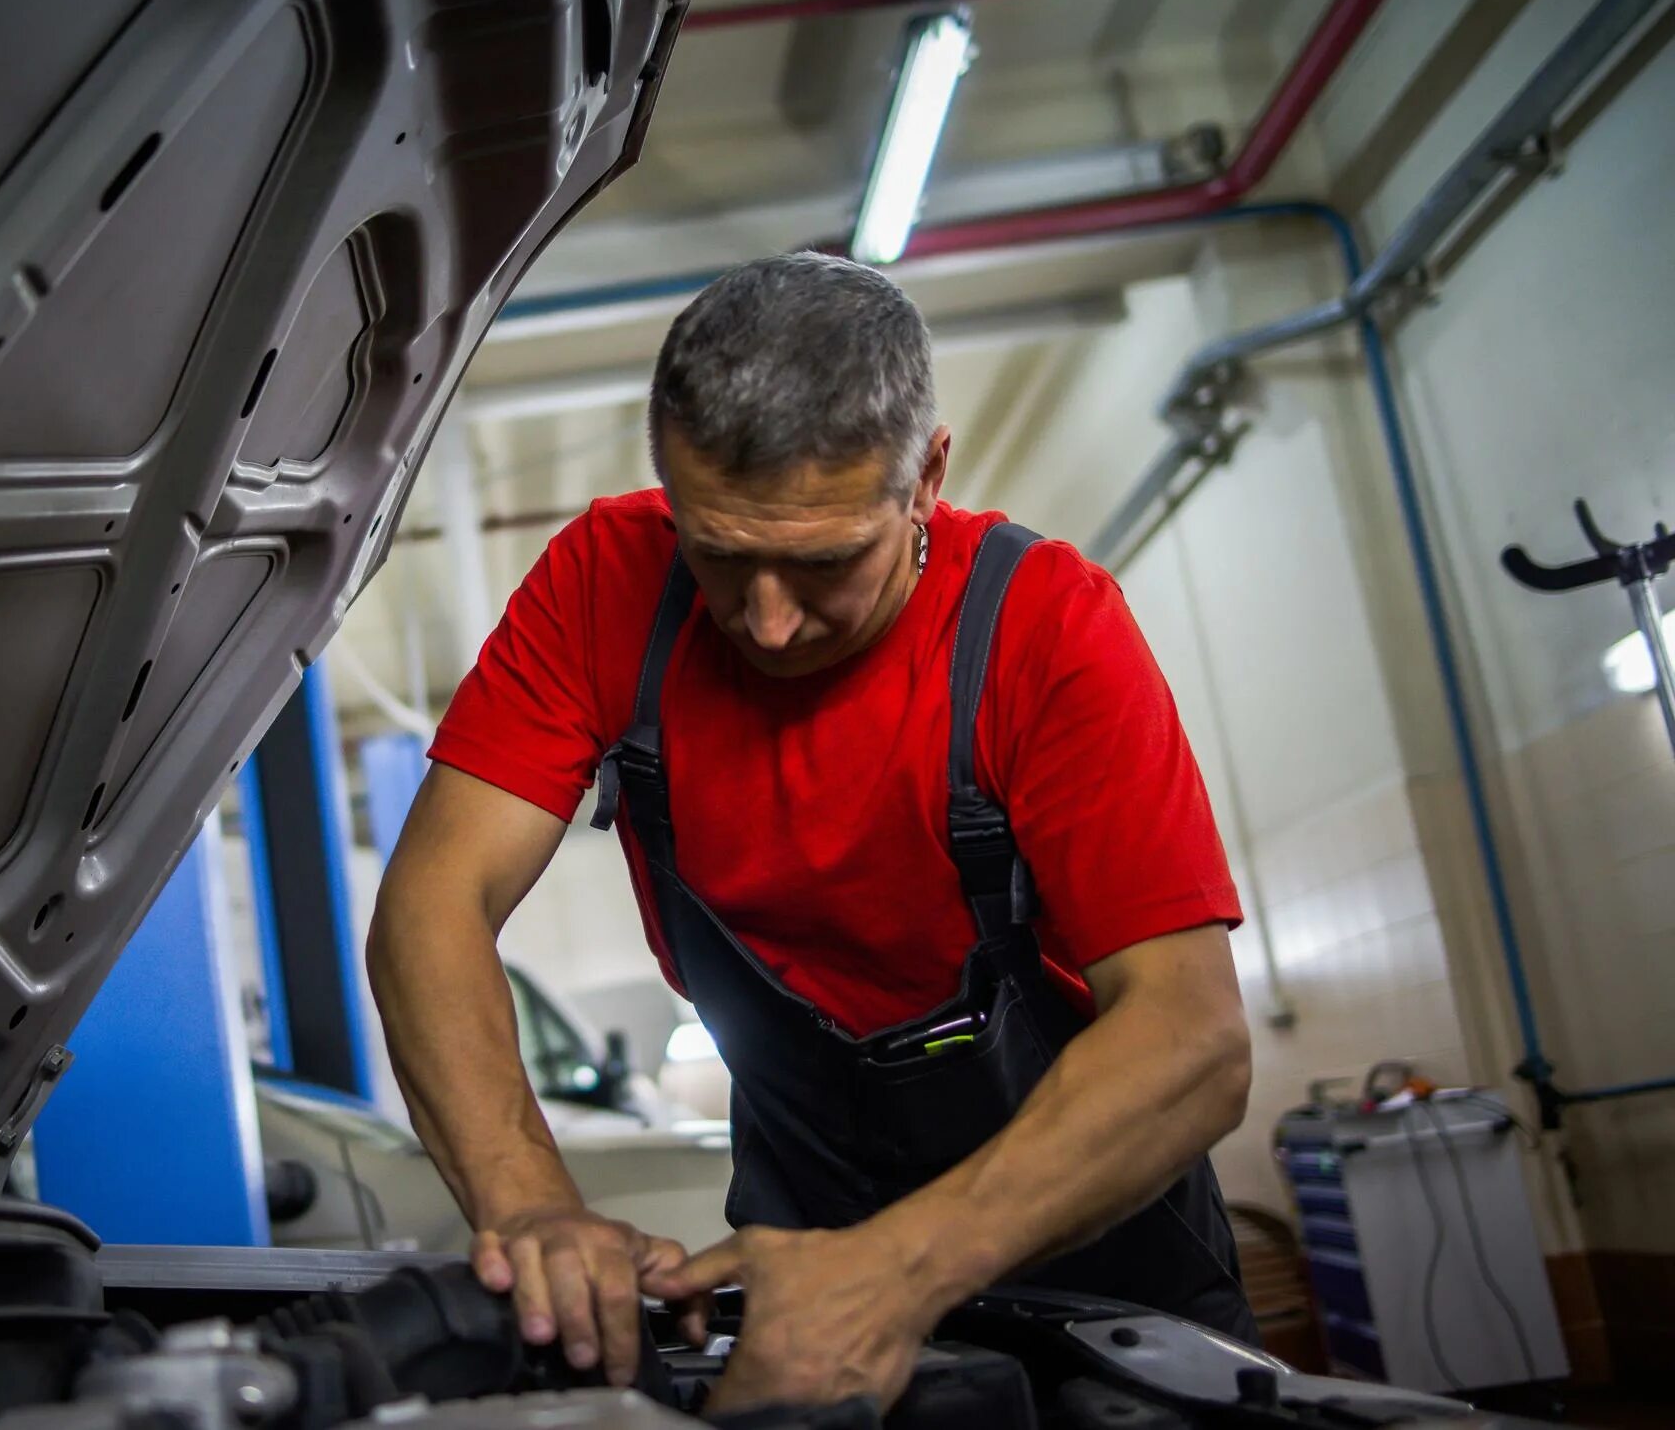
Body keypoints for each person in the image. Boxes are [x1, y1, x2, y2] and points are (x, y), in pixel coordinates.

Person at [365, 253, 1258, 1411]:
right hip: (802, 1200)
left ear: (927, 475)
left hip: (1099, 1240)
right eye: (720, 555)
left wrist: (896, 1270)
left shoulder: (1045, 628)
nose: (771, 625)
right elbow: (431, 910)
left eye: (826, 562)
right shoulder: (602, 583)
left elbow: (1193, 1036)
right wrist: (530, 1207)